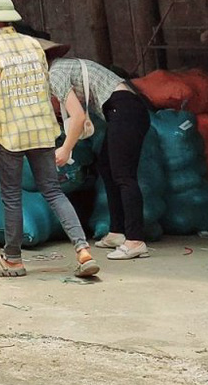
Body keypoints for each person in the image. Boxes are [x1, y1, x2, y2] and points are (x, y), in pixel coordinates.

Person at [0, 0, 99, 280]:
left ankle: (13, 259)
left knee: (11, 197)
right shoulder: (33, 45)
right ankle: (82, 249)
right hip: (41, 130)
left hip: (10, 133)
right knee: (53, 191)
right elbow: (43, 87)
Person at [47, 43, 154, 260]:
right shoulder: (63, 67)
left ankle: (135, 240)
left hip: (123, 108)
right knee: (106, 165)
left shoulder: (54, 73)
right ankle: (117, 231)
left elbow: (76, 117)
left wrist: (66, 149)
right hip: (124, 109)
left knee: (124, 176)